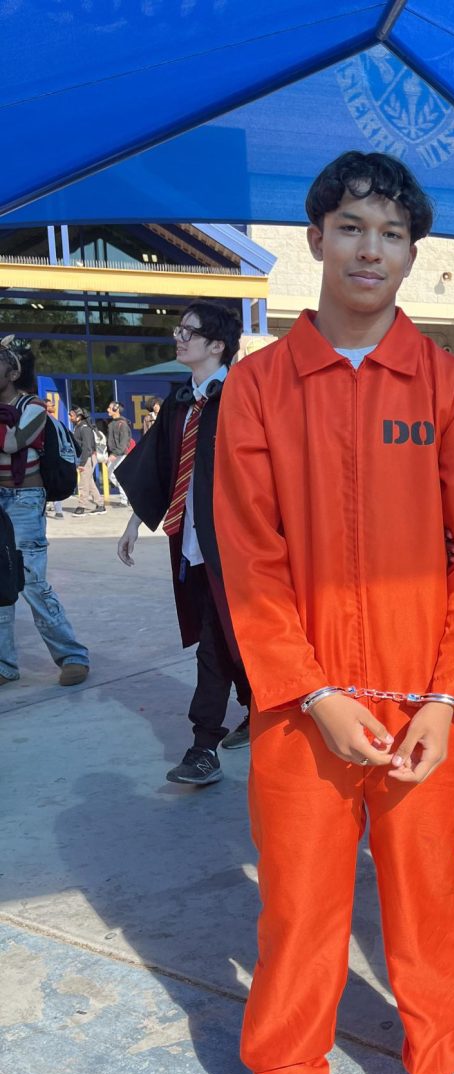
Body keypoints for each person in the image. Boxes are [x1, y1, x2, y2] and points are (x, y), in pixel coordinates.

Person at [213, 150, 454, 1074]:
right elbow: (248, 555)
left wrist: (446, 693)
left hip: (427, 698)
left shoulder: (447, 388)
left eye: (389, 232)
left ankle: (447, 1058)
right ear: (315, 239)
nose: (369, 246)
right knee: (299, 905)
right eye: (350, 227)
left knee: (429, 894)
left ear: (413, 253)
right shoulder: (256, 389)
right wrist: (309, 690)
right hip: (305, 706)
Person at [115, 302, 251, 785]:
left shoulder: (245, 398)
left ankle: (203, 747)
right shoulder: (178, 402)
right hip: (191, 543)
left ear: (217, 345)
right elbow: (160, 467)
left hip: (237, 550)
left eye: (188, 332)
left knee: (214, 642)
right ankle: (256, 704)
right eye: (179, 330)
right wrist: (134, 522)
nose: (179, 338)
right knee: (222, 634)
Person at [0, 336, 90, 686]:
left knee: (32, 583)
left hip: (25, 501)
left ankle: (72, 656)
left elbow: (11, 442)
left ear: (13, 370)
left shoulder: (34, 407)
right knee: (1, 585)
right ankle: (5, 664)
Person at [68, 406, 106, 516]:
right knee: (89, 482)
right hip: (85, 457)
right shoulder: (79, 427)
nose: (70, 417)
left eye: (72, 415)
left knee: (83, 484)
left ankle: (82, 506)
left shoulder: (84, 428)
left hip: (87, 458)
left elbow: (87, 447)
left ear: (79, 416)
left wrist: (82, 463)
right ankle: (100, 505)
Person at [105, 400, 132, 506]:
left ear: (116, 410)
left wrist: (115, 454)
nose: (107, 409)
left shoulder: (122, 424)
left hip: (120, 454)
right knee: (111, 475)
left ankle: (124, 500)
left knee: (119, 476)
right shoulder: (112, 423)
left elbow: (124, 442)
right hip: (114, 454)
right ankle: (127, 492)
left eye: (109, 408)